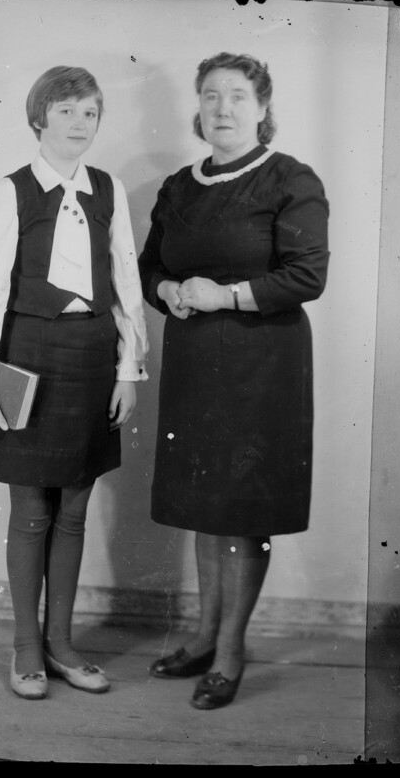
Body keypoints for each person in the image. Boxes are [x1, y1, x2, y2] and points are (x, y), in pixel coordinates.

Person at [138, 52, 329, 710]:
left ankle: (230, 651)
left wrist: (225, 296)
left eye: (238, 96)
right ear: (198, 106)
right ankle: (201, 637)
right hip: (195, 362)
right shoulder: (179, 187)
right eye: (211, 95)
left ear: (263, 107)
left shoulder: (290, 179)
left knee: (244, 510)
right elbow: (149, 266)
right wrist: (168, 290)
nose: (223, 108)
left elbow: (307, 275)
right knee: (204, 503)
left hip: (262, 366)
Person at [0, 65, 148, 700]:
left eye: (90, 112)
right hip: (25, 359)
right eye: (66, 110)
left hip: (93, 359)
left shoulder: (108, 190)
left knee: (74, 508)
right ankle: (25, 647)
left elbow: (125, 282)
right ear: (39, 118)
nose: (79, 123)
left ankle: (62, 644)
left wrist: (128, 369)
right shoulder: (9, 193)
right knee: (31, 509)